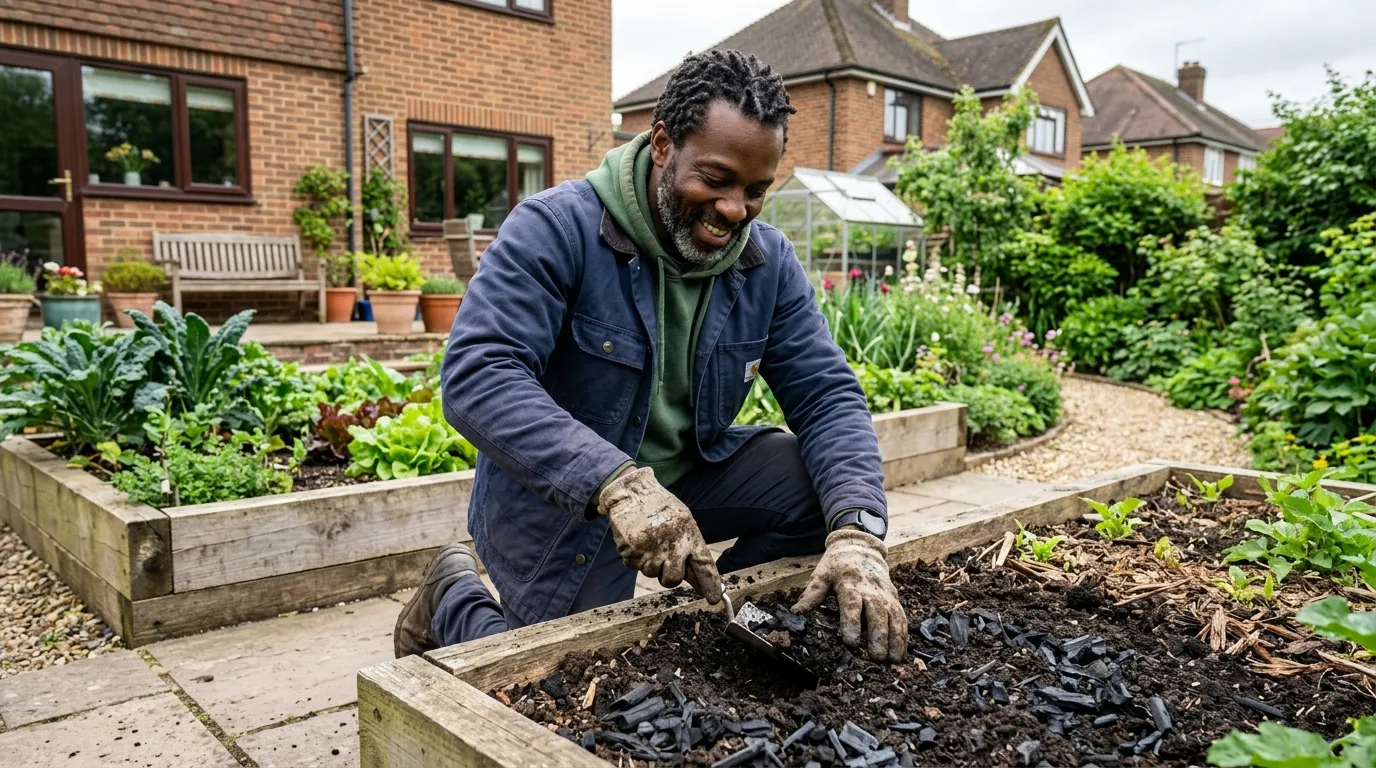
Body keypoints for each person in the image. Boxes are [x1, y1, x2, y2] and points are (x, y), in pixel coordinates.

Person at [394, 50, 907, 664]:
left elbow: (826, 394)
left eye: (755, 190)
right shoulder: (556, 229)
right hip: (565, 501)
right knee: (563, 667)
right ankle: (450, 594)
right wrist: (614, 485)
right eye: (715, 180)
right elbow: (480, 374)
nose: (734, 210)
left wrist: (859, 533)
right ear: (663, 143)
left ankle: (721, 618)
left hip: (686, 477)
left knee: (823, 488)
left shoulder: (766, 264)